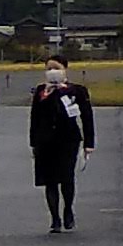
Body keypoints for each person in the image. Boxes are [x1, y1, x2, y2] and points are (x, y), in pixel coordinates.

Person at [29, 59, 97, 233]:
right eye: (49, 68)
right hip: (45, 140)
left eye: (56, 68)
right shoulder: (41, 91)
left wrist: (89, 143)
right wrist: (33, 142)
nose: (52, 71)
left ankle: (68, 209)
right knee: (49, 180)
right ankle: (55, 218)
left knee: (66, 176)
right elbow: (35, 117)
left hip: (68, 139)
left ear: (65, 69)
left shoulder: (76, 91)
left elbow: (87, 117)